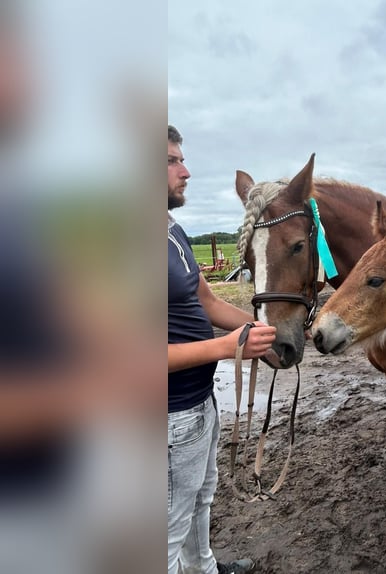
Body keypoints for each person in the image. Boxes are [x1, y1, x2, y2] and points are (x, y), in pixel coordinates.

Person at [168, 125, 276, 574]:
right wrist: (228, 347)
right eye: (170, 162)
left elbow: (207, 301)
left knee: (200, 499)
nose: (185, 171)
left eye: (181, 159)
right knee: (166, 527)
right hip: (167, 415)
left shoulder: (171, 230)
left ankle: (205, 569)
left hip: (198, 402)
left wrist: (264, 330)